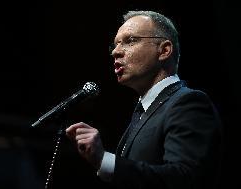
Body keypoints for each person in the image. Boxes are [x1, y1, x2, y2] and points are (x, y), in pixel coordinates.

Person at [65, 10, 223, 189]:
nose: (115, 52)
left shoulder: (188, 103)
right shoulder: (143, 111)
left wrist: (104, 160)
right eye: (115, 45)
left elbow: (184, 179)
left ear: (164, 50)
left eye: (130, 41)